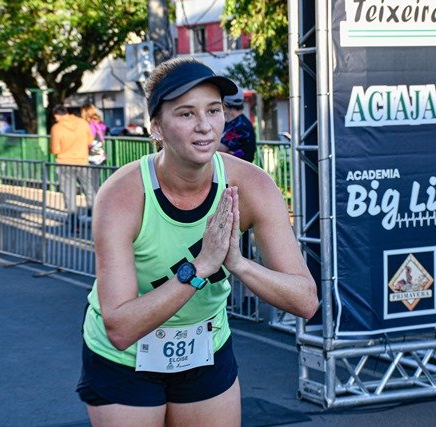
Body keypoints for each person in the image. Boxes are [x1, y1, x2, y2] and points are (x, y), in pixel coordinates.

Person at [76, 57, 318, 426]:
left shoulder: (251, 185)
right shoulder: (122, 196)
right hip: (125, 359)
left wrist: (238, 263)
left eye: (214, 110)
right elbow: (121, 328)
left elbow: (305, 300)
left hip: (205, 348)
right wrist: (200, 268)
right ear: (155, 127)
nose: (204, 127)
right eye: (186, 114)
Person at [49, 104, 95, 229]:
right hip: (82, 161)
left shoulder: (56, 128)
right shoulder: (82, 123)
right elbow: (90, 141)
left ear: (56, 115)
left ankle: (75, 224)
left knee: (69, 193)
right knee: (89, 190)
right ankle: (97, 220)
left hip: (65, 163)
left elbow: (55, 149)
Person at [219, 87, 257, 163]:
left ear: (225, 106)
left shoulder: (240, 125)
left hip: (239, 170)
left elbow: (221, 148)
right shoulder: (235, 122)